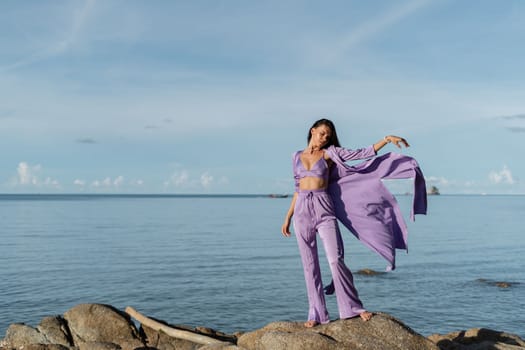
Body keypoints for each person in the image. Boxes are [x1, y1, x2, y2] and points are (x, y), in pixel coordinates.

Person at [281, 118, 425, 328]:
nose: (324, 138)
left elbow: (361, 153)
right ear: (312, 131)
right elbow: (297, 188)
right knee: (309, 266)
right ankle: (316, 314)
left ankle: (352, 308)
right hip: (302, 210)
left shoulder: (330, 154)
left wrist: (385, 140)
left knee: (335, 259)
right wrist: (288, 216)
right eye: (322, 133)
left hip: (324, 208)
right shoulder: (296, 157)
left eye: (328, 136)